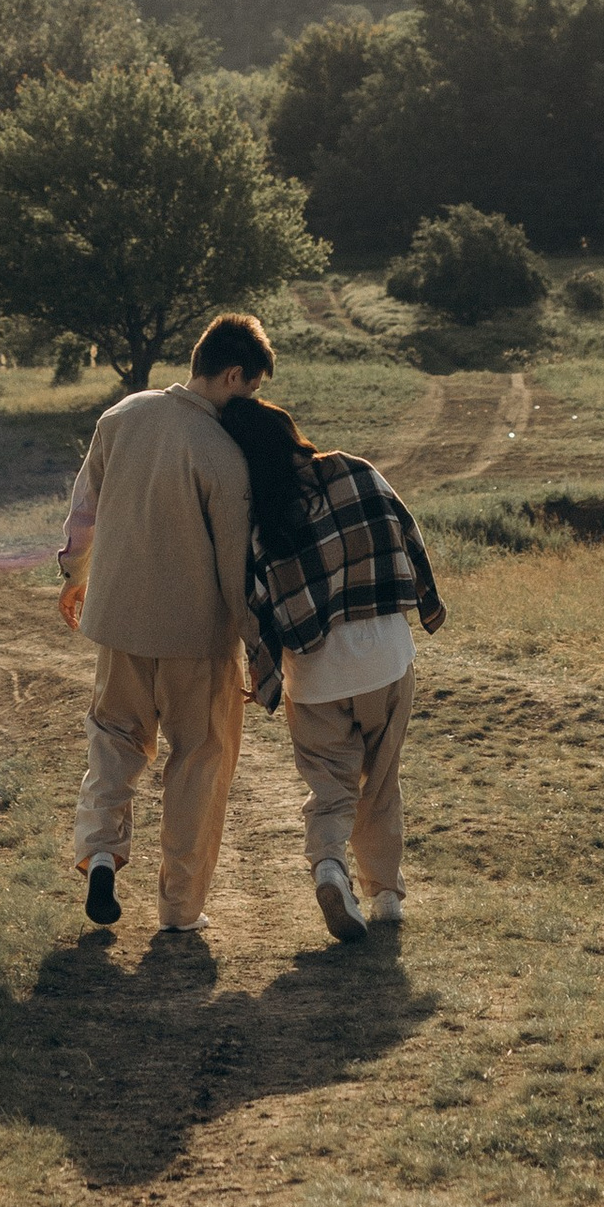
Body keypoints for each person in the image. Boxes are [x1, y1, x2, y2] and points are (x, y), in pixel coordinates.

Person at [55, 312, 274, 935]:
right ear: (233, 374)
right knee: (199, 759)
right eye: (250, 388)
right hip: (195, 638)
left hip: (118, 620)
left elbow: (85, 504)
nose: (250, 402)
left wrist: (75, 573)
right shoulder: (222, 453)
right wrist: (257, 651)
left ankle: (99, 852)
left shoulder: (121, 417)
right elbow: (237, 569)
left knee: (114, 738)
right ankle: (180, 908)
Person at [221, 392, 445, 945]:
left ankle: (328, 867)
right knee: (382, 780)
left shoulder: (258, 516)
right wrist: (427, 599)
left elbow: (254, 601)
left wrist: (260, 671)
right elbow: (407, 531)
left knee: (331, 788)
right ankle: (386, 895)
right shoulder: (356, 472)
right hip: (386, 657)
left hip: (314, 675)